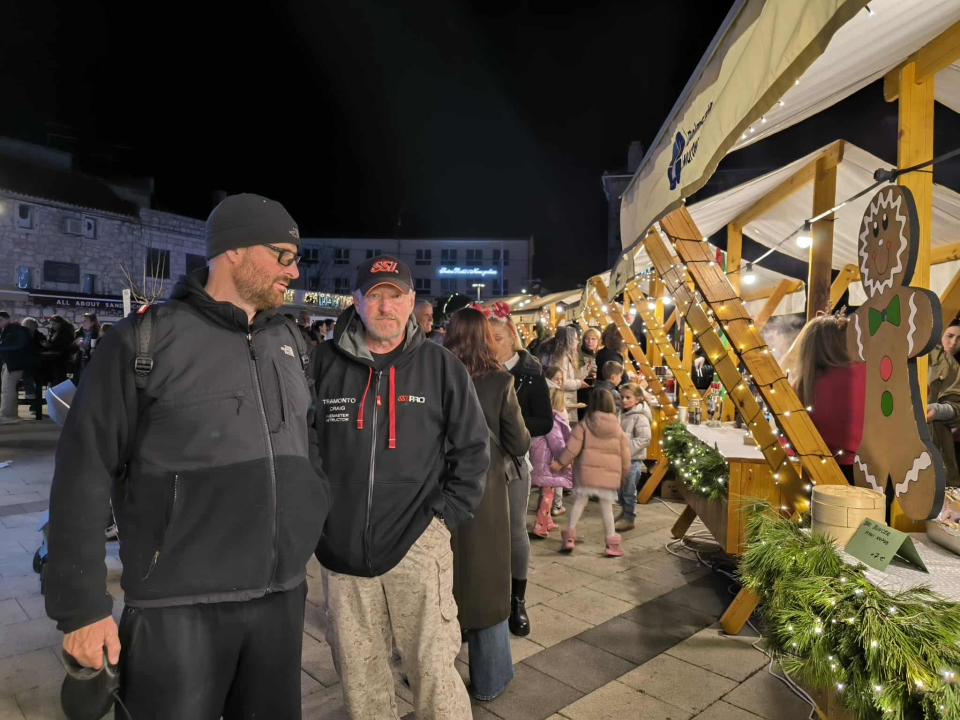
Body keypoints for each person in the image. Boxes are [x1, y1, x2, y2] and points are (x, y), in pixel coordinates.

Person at [45, 193, 331, 720]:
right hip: (178, 608)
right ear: (234, 251)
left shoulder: (288, 340)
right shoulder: (143, 341)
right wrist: (81, 608)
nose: (293, 270)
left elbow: (304, 439)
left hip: (280, 597)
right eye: (282, 255)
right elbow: (82, 473)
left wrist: (311, 505)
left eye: (295, 256)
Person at [311, 254, 488, 720]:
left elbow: (473, 448)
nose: (385, 307)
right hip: (342, 552)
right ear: (356, 301)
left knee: (434, 674)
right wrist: (318, 515)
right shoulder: (321, 363)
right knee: (360, 680)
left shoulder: (441, 366)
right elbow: (302, 443)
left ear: (411, 301)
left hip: (417, 543)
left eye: (395, 295)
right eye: (375, 295)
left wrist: (443, 516)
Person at [444, 308, 530, 700]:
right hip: (485, 496)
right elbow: (519, 443)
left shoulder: (433, 374)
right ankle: (490, 679)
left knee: (440, 585)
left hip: (439, 494)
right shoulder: (499, 380)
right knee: (487, 583)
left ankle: (432, 675)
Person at [488, 316, 550, 637]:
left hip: (514, 461)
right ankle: (487, 595)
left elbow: (545, 421)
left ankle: (517, 600)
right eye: (488, 338)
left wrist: (515, 427)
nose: (492, 343)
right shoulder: (479, 371)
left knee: (515, 531)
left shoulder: (530, 374)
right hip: (481, 463)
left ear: (511, 338)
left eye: (497, 337)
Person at [551, 389, 631, 557]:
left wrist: (561, 462)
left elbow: (572, 447)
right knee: (606, 508)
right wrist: (624, 473)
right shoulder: (617, 428)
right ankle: (611, 543)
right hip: (609, 477)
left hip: (586, 475)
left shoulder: (585, 424)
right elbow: (625, 453)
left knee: (580, 502)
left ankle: (569, 537)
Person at [792, 313, 866, 483]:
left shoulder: (804, 385)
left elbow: (793, 438)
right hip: (875, 473)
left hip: (824, 474)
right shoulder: (870, 371)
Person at [530, 388, 573, 538]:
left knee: (546, 491)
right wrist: (564, 460)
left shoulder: (544, 416)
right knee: (548, 493)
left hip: (540, 458)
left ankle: (546, 521)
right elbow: (557, 442)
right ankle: (540, 526)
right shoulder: (554, 419)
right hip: (549, 461)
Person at [616, 383, 654, 531]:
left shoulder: (640, 417)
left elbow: (644, 438)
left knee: (629, 491)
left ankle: (629, 518)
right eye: (622, 397)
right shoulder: (622, 413)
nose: (624, 400)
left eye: (628, 397)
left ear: (637, 399)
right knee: (620, 490)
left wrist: (626, 450)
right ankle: (624, 512)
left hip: (632, 461)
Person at [927, 320, 960, 487]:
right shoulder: (924, 356)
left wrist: (936, 410)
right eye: (950, 336)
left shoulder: (953, 366)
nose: (953, 342)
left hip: (937, 441)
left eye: (959, 338)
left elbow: (957, 407)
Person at [0, 312, 31, 425]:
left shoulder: (15, 330)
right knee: (9, 389)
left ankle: (6, 415)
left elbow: (19, 345)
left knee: (7, 390)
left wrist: (1, 347)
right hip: (10, 363)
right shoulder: (8, 330)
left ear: (7, 319)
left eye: (1, 320)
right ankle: (11, 415)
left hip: (14, 364)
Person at [43, 315, 76, 385]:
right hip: (54, 358)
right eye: (52, 324)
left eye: (54, 324)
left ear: (60, 323)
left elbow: (63, 345)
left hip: (61, 359)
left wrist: (50, 345)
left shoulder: (65, 332)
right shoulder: (53, 332)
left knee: (59, 378)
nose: (53, 326)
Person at [73, 313, 101, 385]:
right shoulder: (78, 333)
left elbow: (100, 349)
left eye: (85, 321)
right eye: (82, 321)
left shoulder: (98, 334)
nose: (83, 323)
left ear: (92, 322)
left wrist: (88, 348)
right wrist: (76, 344)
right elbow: (70, 348)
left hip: (91, 363)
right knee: (79, 384)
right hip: (79, 362)